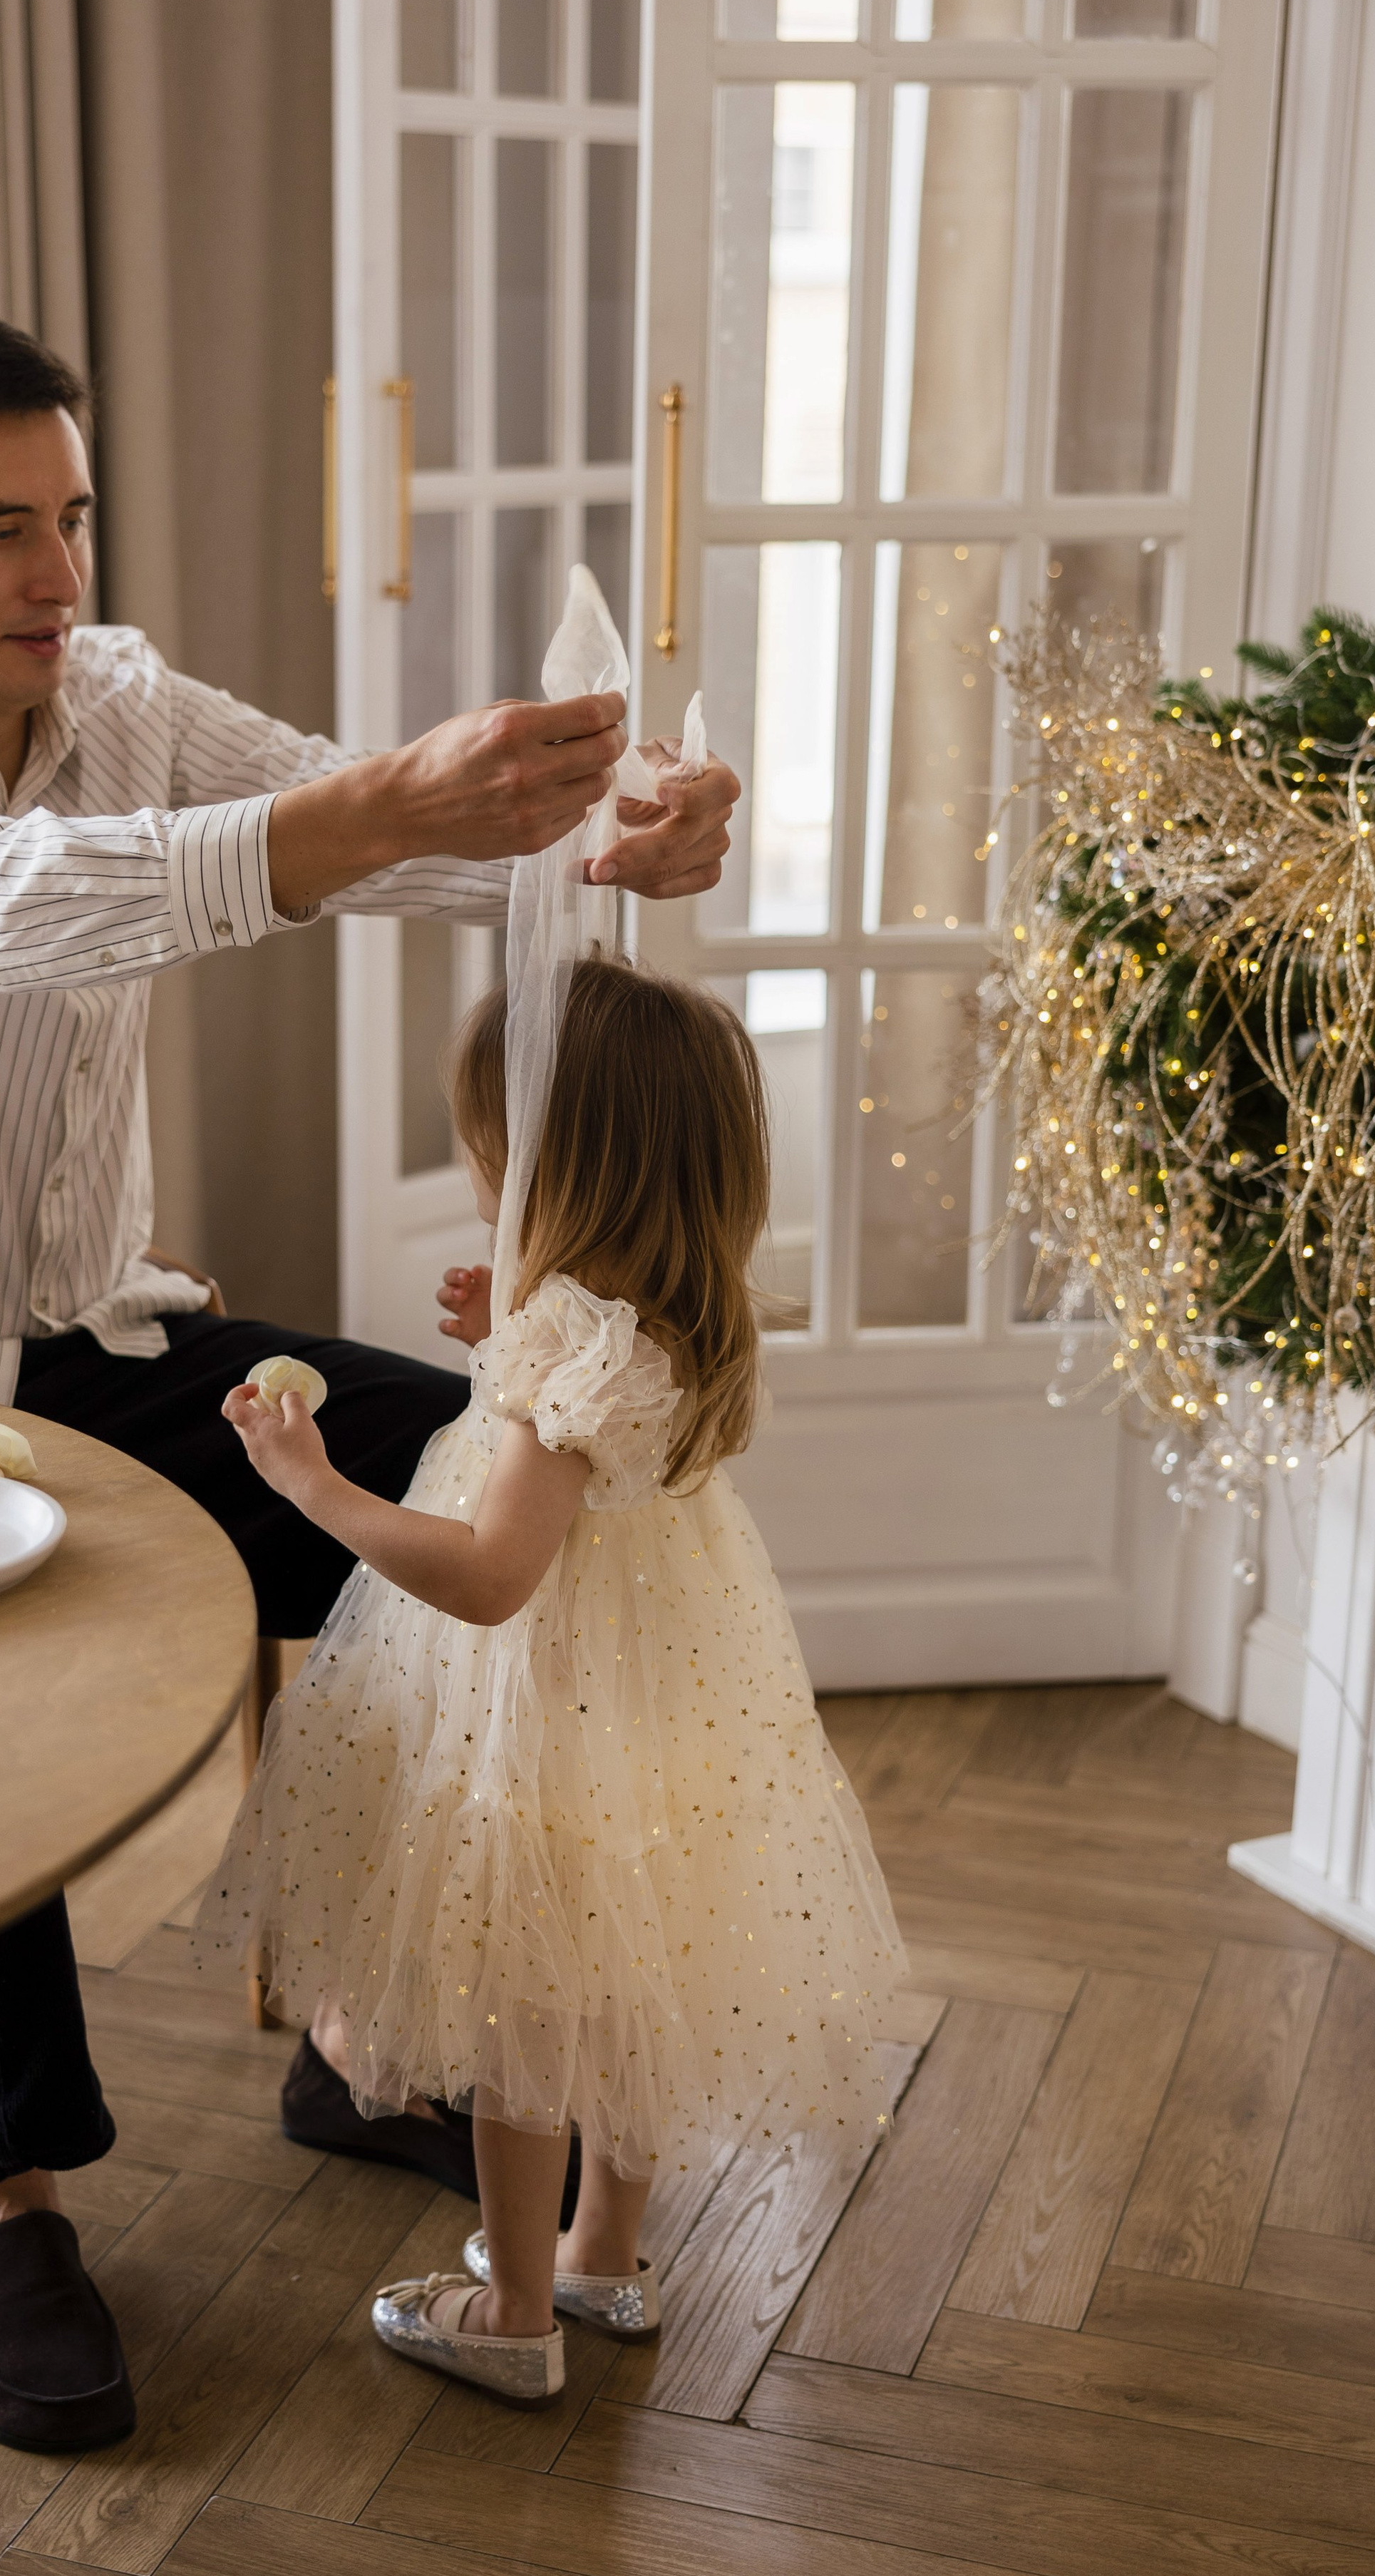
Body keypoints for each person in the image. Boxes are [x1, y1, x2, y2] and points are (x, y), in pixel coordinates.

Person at [0, 303, 738, 2453]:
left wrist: (612, 829)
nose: (58, 573)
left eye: (71, 517)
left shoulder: (121, 698)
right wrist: (367, 815)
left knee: (462, 1468)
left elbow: (398, 837)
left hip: (90, 1334)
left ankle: (369, 2023)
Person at [197, 956, 906, 2401]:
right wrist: (496, 1347)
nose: (476, 1176)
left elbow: (489, 1572)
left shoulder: (570, 1348)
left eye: (487, 1152)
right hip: (662, 1701)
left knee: (523, 1994)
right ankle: (598, 2256)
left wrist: (310, 1482)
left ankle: (513, 2314)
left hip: (542, 1707)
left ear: (554, 1169)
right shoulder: (680, 1318)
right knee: (626, 1975)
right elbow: (596, 1442)